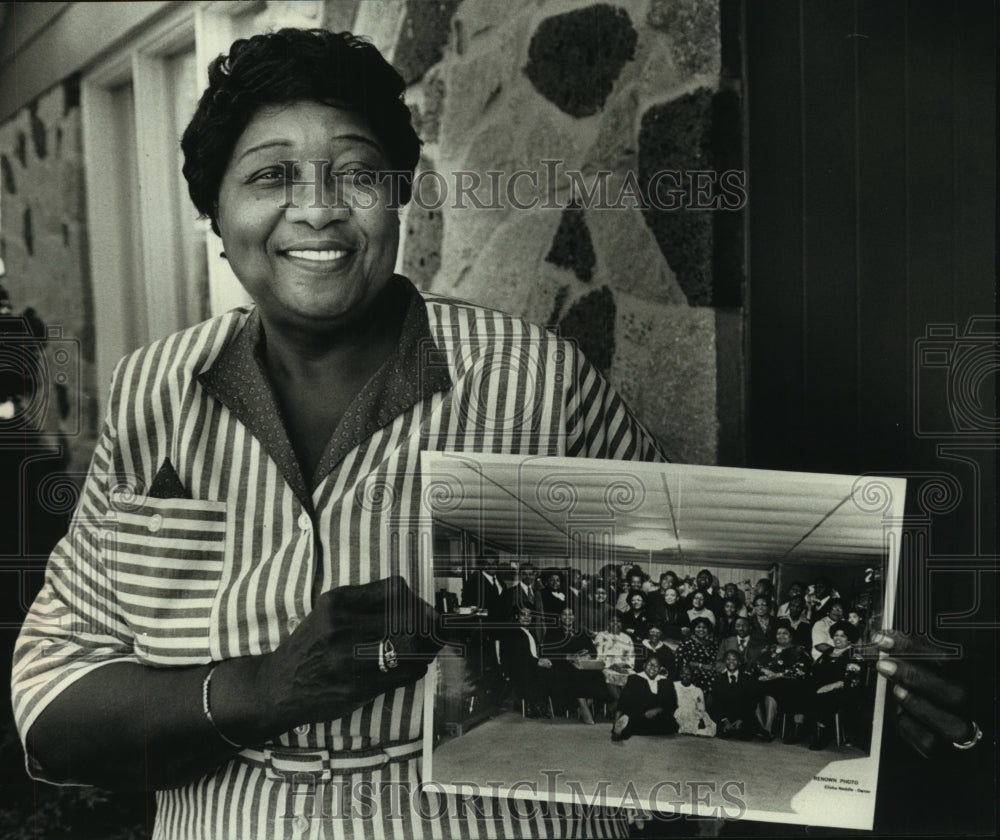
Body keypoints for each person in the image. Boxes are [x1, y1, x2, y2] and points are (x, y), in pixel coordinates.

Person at [10, 29, 665, 840]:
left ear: (398, 199)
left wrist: (864, 646)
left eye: (356, 173)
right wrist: (263, 688)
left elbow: (674, 597)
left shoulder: (537, 382)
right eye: (271, 176)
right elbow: (51, 693)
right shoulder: (154, 394)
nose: (318, 208)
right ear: (215, 210)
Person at [541, 608, 605, 724]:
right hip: (561, 665)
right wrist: (567, 656)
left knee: (597, 674)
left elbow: (593, 652)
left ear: (574, 617)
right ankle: (583, 706)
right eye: (564, 614)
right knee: (574, 673)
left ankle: (585, 704)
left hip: (581, 664)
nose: (568, 617)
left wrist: (588, 655)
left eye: (570, 615)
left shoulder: (581, 632)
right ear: (560, 617)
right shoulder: (552, 632)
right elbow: (547, 652)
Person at [809, 621, 865, 750]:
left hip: (843, 690)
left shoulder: (854, 654)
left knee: (824, 697)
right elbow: (815, 670)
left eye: (842, 636)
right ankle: (799, 729)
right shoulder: (828, 651)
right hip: (820, 687)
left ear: (849, 639)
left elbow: (852, 679)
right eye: (835, 635)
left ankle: (822, 734)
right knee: (801, 692)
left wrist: (830, 686)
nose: (837, 638)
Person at [755, 623, 812, 743]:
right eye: (779, 633)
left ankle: (768, 729)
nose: (781, 636)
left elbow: (801, 669)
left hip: (788, 682)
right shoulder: (769, 648)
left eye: (785, 633)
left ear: (791, 636)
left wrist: (776, 675)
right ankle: (762, 727)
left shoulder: (799, 650)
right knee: (750, 688)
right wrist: (765, 671)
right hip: (767, 678)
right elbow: (757, 663)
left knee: (771, 688)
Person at [499, 606, 554, 720]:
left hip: (530, 663)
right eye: (523, 615)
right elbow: (519, 656)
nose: (526, 618)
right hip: (517, 667)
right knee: (533, 672)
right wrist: (538, 662)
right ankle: (532, 705)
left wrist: (543, 660)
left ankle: (542, 704)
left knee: (553, 670)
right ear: (517, 617)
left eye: (529, 615)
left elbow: (534, 653)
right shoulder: (513, 632)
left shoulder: (530, 632)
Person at [611, 657, 679, 741]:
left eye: (656, 666)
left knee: (671, 726)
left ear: (660, 669)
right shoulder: (634, 679)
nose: (653, 668)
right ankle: (620, 729)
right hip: (638, 714)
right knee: (632, 718)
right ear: (644, 666)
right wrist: (616, 721)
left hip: (658, 715)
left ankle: (629, 728)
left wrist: (657, 710)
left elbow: (672, 703)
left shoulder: (666, 682)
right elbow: (623, 702)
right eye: (650, 664)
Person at [712, 651, 758, 739]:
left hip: (743, 716)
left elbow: (751, 703)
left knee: (746, 736)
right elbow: (716, 703)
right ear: (725, 661)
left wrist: (741, 719)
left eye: (734, 659)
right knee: (723, 735)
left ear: (739, 662)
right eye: (728, 659)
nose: (731, 662)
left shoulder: (748, 679)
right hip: (724, 716)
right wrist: (724, 720)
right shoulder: (718, 679)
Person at [595, 615, 634, 712]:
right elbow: (599, 655)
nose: (616, 623)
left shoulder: (627, 638)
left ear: (622, 624)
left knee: (635, 678)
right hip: (606, 667)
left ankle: (613, 708)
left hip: (624, 667)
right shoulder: (601, 636)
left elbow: (631, 657)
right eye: (613, 621)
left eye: (619, 621)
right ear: (608, 623)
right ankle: (620, 708)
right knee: (610, 676)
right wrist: (611, 665)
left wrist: (623, 665)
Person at [675, 617, 718, 698]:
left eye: (704, 627)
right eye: (698, 627)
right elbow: (680, 660)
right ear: (693, 629)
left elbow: (715, 660)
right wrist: (700, 665)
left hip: (710, 673)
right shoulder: (687, 642)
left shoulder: (713, 643)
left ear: (708, 629)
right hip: (691, 673)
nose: (701, 629)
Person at [673, 666, 716, 737]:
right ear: (680, 675)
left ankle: (695, 729)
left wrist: (699, 716)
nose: (685, 676)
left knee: (705, 720)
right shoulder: (674, 685)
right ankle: (689, 729)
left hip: (692, 713)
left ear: (692, 677)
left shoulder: (697, 690)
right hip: (677, 712)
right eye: (683, 673)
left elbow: (701, 707)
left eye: (688, 674)